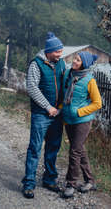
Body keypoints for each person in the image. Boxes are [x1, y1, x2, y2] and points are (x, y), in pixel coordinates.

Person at [21, 32, 66, 199]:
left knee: (53, 147)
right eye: (57, 52)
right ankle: (29, 184)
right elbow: (32, 87)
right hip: (42, 114)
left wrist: (60, 107)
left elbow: (66, 83)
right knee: (35, 148)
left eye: (61, 51)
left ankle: (49, 179)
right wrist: (48, 107)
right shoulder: (36, 64)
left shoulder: (61, 63)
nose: (60, 54)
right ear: (48, 51)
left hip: (57, 114)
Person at [61, 51, 102, 198]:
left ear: (83, 64)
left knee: (75, 151)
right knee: (80, 150)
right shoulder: (68, 75)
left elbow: (97, 103)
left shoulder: (89, 80)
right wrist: (61, 109)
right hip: (68, 119)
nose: (74, 61)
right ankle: (90, 181)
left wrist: (79, 112)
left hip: (82, 121)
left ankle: (71, 184)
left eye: (78, 60)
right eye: (75, 59)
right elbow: (63, 93)